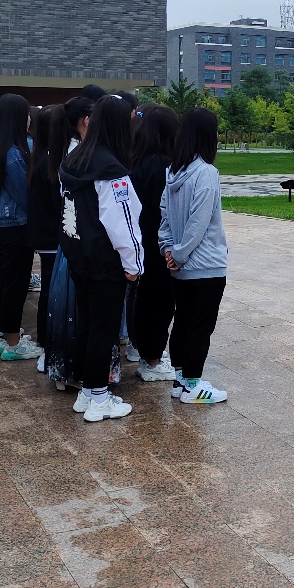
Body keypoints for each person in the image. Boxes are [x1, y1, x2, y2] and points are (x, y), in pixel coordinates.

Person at [59, 95, 143, 421]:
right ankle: (98, 397)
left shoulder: (74, 158)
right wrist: (134, 265)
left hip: (79, 256)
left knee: (88, 323)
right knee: (103, 330)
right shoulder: (111, 170)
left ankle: (87, 392)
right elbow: (123, 224)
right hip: (106, 262)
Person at [159, 107, 228, 405]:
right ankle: (193, 385)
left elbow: (164, 217)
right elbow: (199, 222)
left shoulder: (173, 172)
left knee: (183, 321)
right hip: (205, 265)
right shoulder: (206, 173)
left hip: (180, 266)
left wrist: (169, 251)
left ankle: (181, 380)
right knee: (200, 325)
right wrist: (180, 254)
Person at [0, 94, 41, 361]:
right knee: (15, 283)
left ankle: (5, 334)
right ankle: (13, 342)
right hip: (17, 225)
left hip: (5, 224)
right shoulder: (13, 154)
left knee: (8, 280)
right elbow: (25, 195)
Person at [128, 105, 179, 383]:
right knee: (160, 301)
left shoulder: (138, 161)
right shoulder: (162, 166)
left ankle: (145, 351)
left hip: (142, 240)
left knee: (145, 296)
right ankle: (153, 359)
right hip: (158, 243)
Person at [27, 104, 66, 365]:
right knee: (52, 291)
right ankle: (47, 343)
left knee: (49, 289)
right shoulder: (50, 163)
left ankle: (46, 341)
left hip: (45, 234)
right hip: (52, 236)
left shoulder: (40, 157)